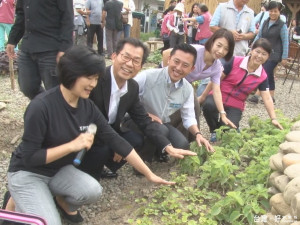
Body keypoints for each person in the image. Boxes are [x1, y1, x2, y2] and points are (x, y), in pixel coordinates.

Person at [2, 46, 175, 225]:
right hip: (28, 172)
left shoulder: (86, 106)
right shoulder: (41, 107)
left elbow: (114, 139)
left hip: (58, 170)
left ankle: (50, 201)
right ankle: (12, 208)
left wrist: (149, 174)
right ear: (71, 73)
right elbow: (30, 158)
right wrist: (72, 146)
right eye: (89, 78)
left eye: (96, 78)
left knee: (92, 190)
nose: (93, 84)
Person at [80, 38, 197, 178]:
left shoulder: (132, 87)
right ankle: (83, 169)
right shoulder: (95, 80)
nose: (129, 64)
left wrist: (168, 147)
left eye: (136, 61)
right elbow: (87, 119)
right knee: (102, 154)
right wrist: (118, 144)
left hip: (110, 129)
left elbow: (144, 121)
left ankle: (100, 167)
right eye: (126, 57)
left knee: (136, 140)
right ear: (114, 56)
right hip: (85, 131)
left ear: (141, 65)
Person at [133, 43, 215, 162]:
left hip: (161, 123)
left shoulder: (187, 89)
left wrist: (198, 134)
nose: (178, 68)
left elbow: (189, 117)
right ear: (169, 59)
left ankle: (157, 151)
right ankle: (141, 161)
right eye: (176, 61)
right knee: (161, 130)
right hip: (136, 120)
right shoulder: (147, 76)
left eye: (185, 65)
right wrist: (144, 114)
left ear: (192, 69)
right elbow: (126, 96)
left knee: (181, 144)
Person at [161, 29, 237, 142]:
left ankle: (192, 141)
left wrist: (222, 113)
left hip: (184, 85)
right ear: (212, 42)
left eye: (226, 49)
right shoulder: (195, 51)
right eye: (219, 45)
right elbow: (167, 52)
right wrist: (167, 77)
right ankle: (166, 137)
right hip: (168, 79)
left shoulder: (217, 66)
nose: (221, 51)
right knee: (168, 109)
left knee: (194, 108)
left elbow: (216, 90)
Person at [202, 38, 283, 140]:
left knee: (228, 129)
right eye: (257, 51)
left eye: (264, 54)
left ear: (268, 57)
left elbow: (267, 98)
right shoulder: (235, 61)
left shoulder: (262, 76)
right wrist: (204, 96)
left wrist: (273, 118)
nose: (259, 56)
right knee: (208, 105)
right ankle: (214, 130)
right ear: (251, 50)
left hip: (236, 103)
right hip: (219, 94)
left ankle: (229, 127)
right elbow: (216, 80)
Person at [6, 0, 74, 100]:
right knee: (27, 87)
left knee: (55, 90)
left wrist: (64, 48)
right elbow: (21, 15)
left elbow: (67, 17)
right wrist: (12, 40)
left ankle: (56, 112)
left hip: (51, 48)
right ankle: (43, 108)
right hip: (28, 47)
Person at [248, 0, 288, 104]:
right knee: (268, 74)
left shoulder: (281, 25)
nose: (273, 13)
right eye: (271, 11)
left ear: (279, 12)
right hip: (263, 53)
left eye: (275, 11)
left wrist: (284, 57)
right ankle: (272, 96)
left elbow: (285, 42)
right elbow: (259, 35)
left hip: (275, 54)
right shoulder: (265, 22)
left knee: (264, 71)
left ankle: (257, 95)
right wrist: (253, 46)